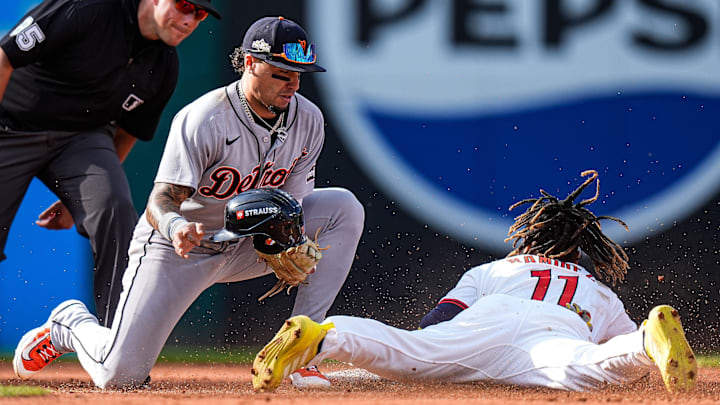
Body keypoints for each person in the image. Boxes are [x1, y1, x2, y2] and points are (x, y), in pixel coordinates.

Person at [11, 16, 365, 389]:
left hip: (244, 243)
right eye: (281, 72)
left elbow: (292, 201)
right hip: (179, 247)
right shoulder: (205, 119)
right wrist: (177, 228)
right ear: (250, 63)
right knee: (119, 376)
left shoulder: (307, 119)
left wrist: (286, 237)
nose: (293, 82)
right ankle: (69, 324)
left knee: (343, 207)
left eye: (299, 72)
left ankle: (301, 351)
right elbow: (160, 201)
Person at [251, 170, 697, 394]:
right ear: (581, 255)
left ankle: (323, 335)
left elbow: (436, 323)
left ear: (529, 238)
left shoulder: (498, 269)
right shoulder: (599, 291)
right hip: (560, 330)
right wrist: (640, 352)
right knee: (590, 368)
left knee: (405, 349)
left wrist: (424, 361)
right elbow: (619, 362)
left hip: (486, 319)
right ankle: (648, 338)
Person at [0, 0, 220, 326]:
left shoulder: (163, 65)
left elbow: (128, 132)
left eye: (199, 14)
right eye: (184, 5)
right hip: (11, 127)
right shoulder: (89, 8)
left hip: (81, 140)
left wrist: (77, 197)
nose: (189, 20)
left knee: (117, 212)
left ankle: (119, 351)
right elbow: (5, 57)